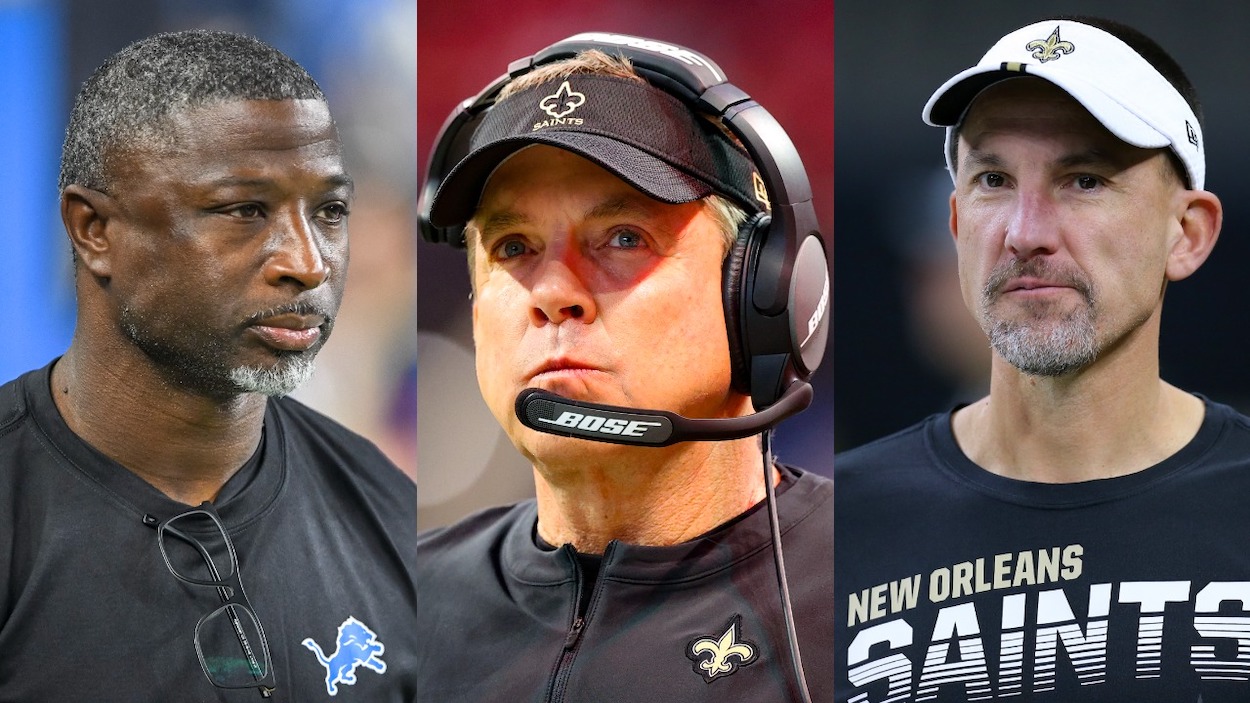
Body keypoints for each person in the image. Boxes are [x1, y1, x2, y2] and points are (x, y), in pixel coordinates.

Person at [832, 14, 1249, 702]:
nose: (1025, 232)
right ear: (958, 225)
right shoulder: (825, 536)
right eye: (993, 178)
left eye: (1084, 179)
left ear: (1188, 232)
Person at [0, 30, 416, 701]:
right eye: (245, 211)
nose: (306, 262)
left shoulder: (391, 516)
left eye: (330, 211)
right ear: (94, 230)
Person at [416, 34, 832, 702]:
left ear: (764, 291)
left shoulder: (876, 593)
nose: (551, 290)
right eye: (513, 246)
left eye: (623, 237)